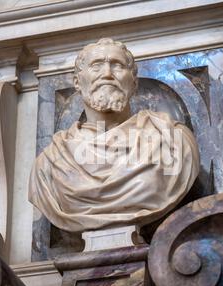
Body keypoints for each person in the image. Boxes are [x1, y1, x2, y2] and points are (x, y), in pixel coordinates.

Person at [29, 38, 200, 233]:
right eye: (96, 66)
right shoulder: (51, 162)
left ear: (134, 82)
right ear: (77, 82)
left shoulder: (171, 140)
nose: (107, 74)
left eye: (117, 65)